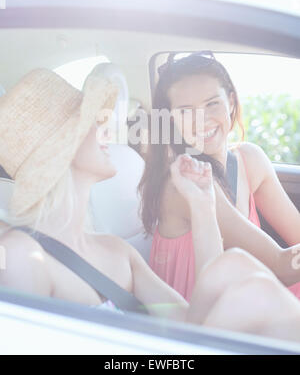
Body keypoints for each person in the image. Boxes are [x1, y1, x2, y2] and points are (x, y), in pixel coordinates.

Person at [1, 67, 300, 342]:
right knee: (256, 293)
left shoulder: (116, 251)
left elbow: (193, 319)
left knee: (232, 265)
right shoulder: (22, 253)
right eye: (91, 124)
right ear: (61, 150)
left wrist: (202, 204)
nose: (106, 131)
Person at [139, 52, 300, 301]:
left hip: (249, 297)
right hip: (207, 318)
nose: (201, 120)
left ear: (232, 102)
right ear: (171, 120)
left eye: (212, 103)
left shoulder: (249, 159)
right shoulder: (184, 182)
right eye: (185, 111)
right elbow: (281, 266)